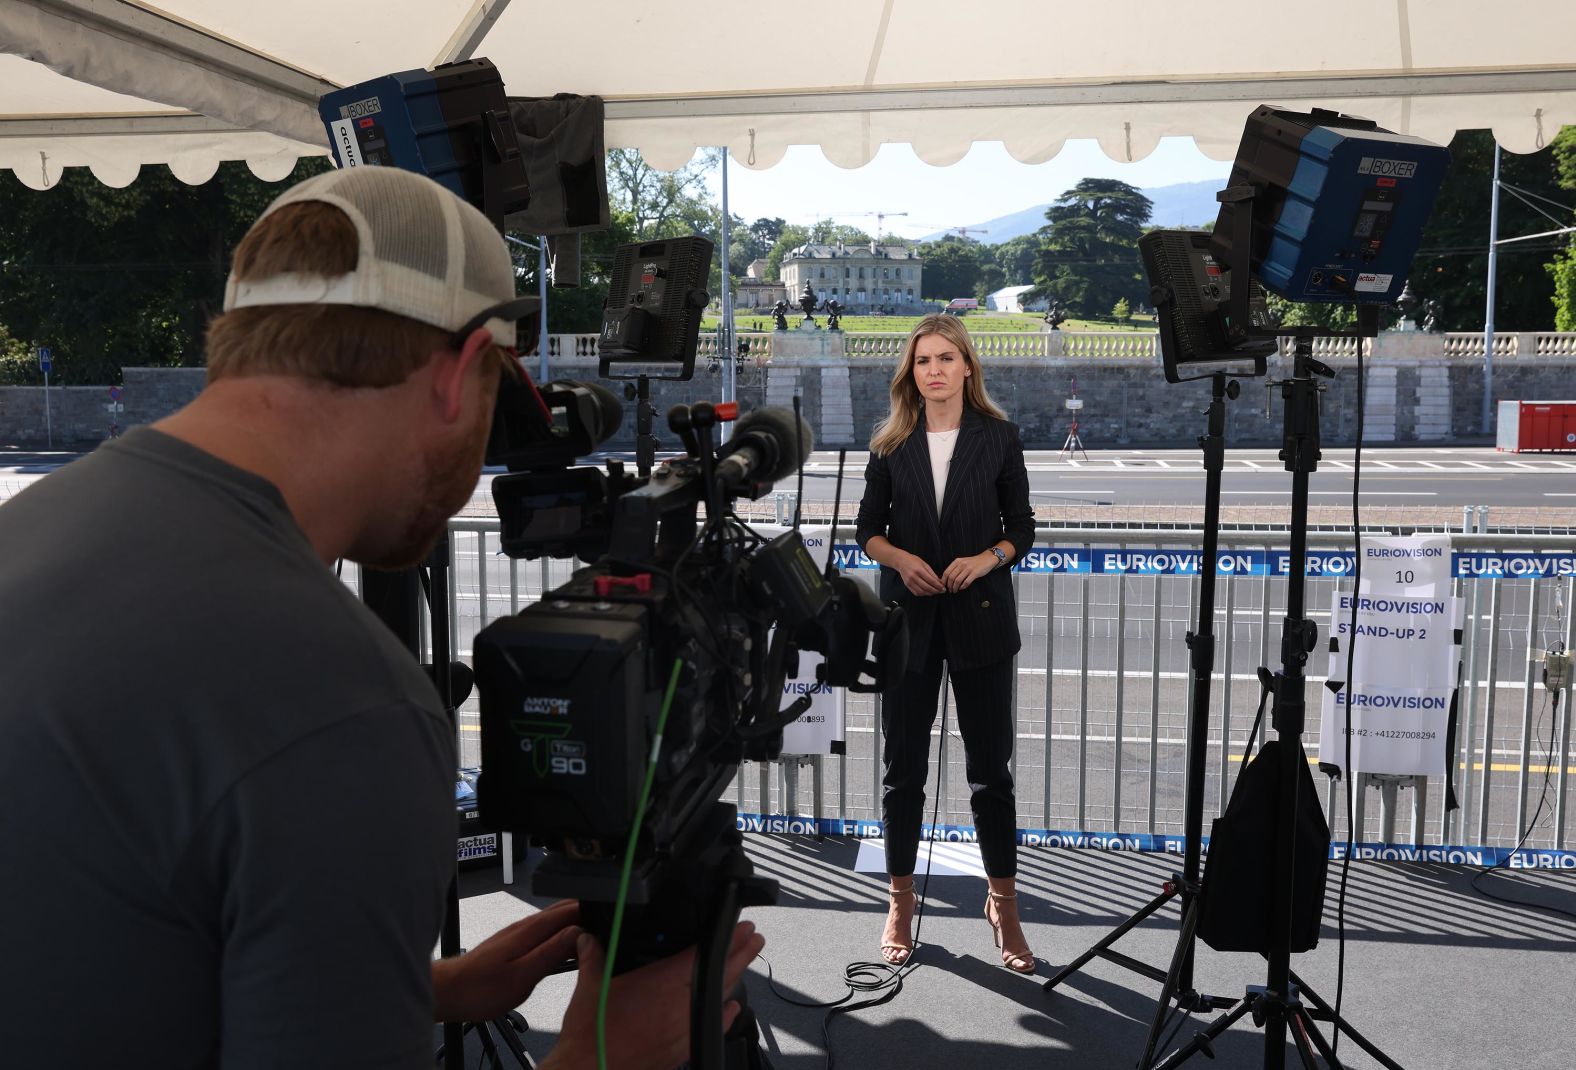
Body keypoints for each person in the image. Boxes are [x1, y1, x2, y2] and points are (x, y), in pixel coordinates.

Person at [0, 166, 763, 1067]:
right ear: (465, 372)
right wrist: (607, 1052)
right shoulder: (346, 704)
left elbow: (104, 943)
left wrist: (413, 992)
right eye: (497, 405)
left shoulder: (32, 526)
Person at [854, 314, 1036, 973]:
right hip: (908, 622)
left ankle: (1004, 906)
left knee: (992, 777)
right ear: (913, 372)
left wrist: (988, 558)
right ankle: (900, 903)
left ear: (967, 367)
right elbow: (866, 531)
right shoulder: (890, 444)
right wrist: (901, 560)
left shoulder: (1000, 438)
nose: (933, 369)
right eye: (922, 360)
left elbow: (1022, 529)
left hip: (982, 622)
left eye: (945, 358)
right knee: (902, 774)